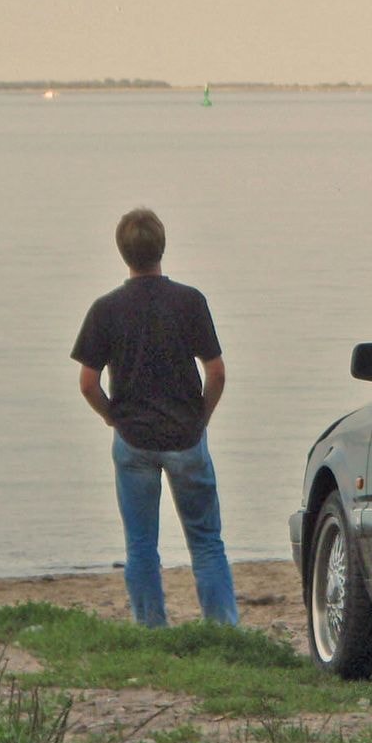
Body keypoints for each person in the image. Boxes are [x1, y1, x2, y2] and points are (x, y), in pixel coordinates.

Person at [71, 208, 239, 627]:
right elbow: (216, 371)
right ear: (161, 246)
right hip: (186, 435)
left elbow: (88, 383)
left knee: (141, 545)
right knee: (206, 542)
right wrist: (202, 416)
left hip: (134, 440)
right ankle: (223, 629)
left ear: (123, 252)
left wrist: (113, 419)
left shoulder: (105, 309)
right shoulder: (189, 300)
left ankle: (151, 630)